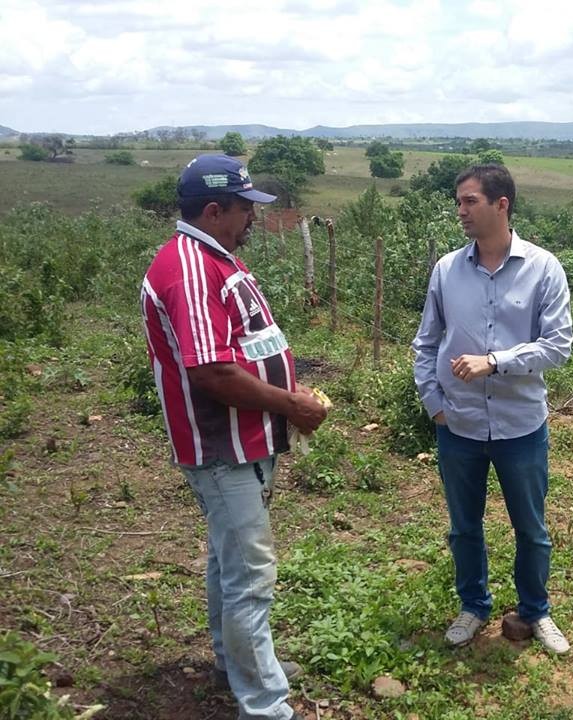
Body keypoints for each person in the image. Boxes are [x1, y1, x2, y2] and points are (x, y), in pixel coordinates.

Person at [141, 154, 327, 720]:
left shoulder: (211, 259)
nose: (253, 219)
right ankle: (265, 705)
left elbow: (238, 348)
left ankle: (237, 660)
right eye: (246, 209)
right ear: (215, 210)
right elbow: (211, 372)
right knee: (250, 574)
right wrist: (291, 403)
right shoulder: (192, 268)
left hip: (241, 443)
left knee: (230, 563)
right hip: (224, 446)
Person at [412, 164, 573, 653]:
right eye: (459, 202)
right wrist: (432, 403)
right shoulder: (446, 269)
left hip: (521, 426)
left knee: (531, 528)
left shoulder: (544, 268)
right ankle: (473, 606)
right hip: (457, 424)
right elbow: (426, 342)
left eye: (470, 201)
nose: (460, 211)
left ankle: (535, 611)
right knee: (464, 527)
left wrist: (496, 362)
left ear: (501, 205)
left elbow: (559, 345)